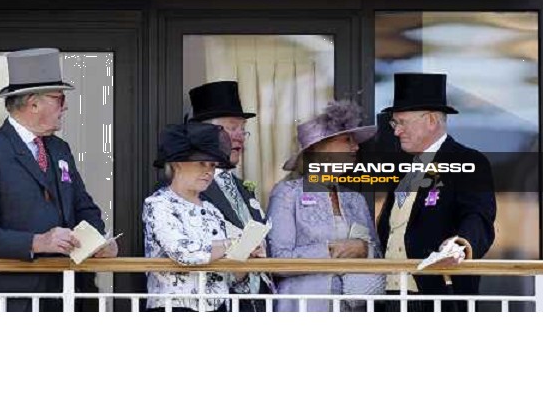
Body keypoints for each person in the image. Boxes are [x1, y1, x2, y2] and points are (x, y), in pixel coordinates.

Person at [0, 48, 117, 312]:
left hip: (66, 296)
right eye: (59, 98)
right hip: (12, 302)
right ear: (33, 103)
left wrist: (97, 241)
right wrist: (38, 242)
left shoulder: (59, 149)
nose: (64, 106)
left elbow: (84, 207)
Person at [377, 73, 496, 310]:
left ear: (431, 120)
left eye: (402, 122)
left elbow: (478, 217)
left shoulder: (467, 160)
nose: (396, 131)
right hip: (389, 297)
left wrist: (461, 244)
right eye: (394, 123)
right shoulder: (402, 168)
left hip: (437, 296)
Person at [267, 100, 386, 312]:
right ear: (320, 148)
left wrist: (364, 249)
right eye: (347, 140)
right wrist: (331, 250)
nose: (355, 147)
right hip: (304, 307)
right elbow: (277, 260)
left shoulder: (354, 200)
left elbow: (377, 253)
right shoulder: (287, 194)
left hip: (354, 309)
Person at [143, 122, 257, 312]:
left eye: (212, 165)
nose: (209, 171)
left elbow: (231, 277)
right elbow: (184, 253)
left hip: (219, 310)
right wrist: (232, 244)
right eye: (201, 163)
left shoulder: (213, 210)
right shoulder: (158, 204)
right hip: (175, 310)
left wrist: (247, 252)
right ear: (177, 163)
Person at [188, 80, 273, 311]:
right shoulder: (184, 188)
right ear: (204, 132)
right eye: (231, 128)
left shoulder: (242, 188)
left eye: (242, 129)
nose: (240, 137)